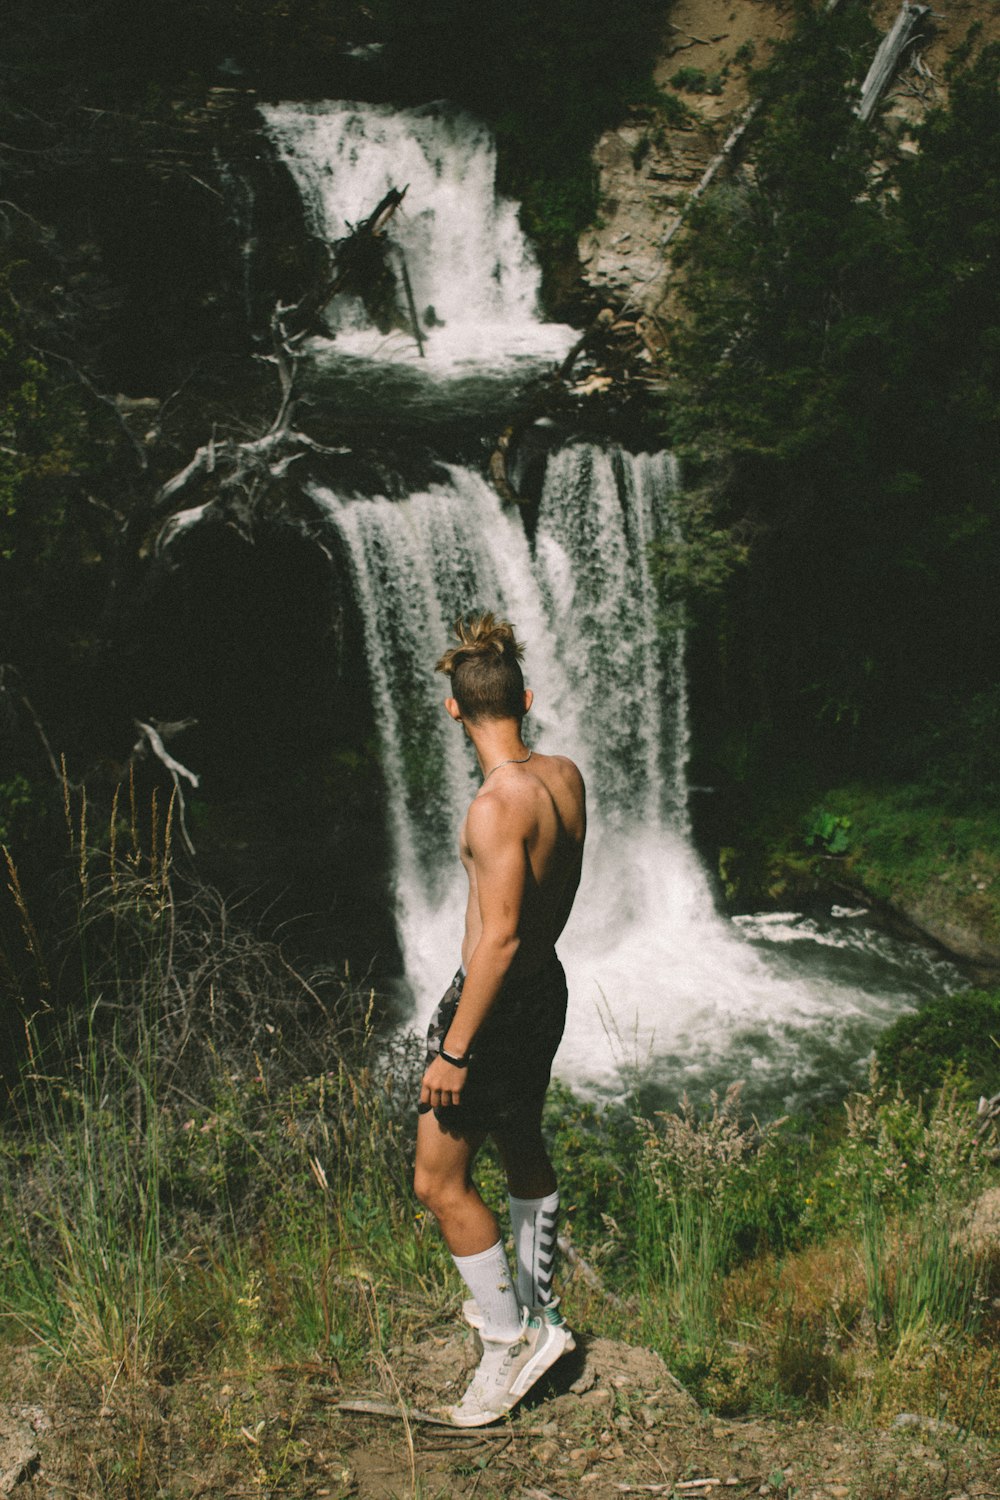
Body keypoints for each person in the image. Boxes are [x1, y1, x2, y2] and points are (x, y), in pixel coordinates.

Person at [413, 612, 587, 1427]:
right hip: (545, 985)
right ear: (524, 696)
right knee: (521, 1140)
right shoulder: (562, 777)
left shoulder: (495, 806)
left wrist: (454, 1046)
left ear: (455, 709)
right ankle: (543, 1312)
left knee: (437, 1179)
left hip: (497, 1001)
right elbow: (538, 922)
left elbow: (500, 935)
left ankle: (508, 1342)